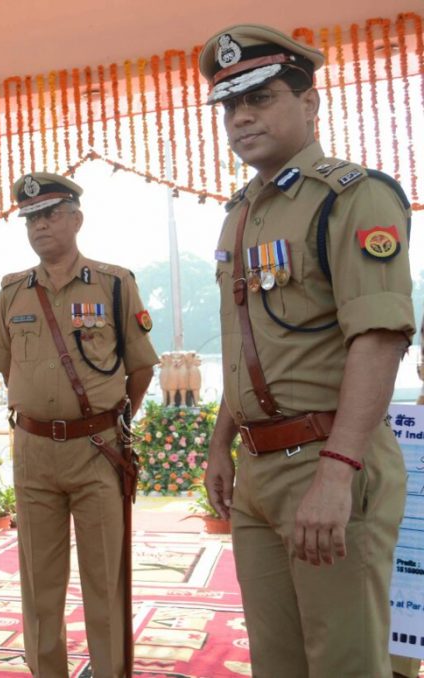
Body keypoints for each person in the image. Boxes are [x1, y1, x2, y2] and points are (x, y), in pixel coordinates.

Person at [198, 25, 415, 677]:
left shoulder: (353, 197)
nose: (241, 117)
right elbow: (248, 347)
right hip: (259, 470)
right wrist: (219, 445)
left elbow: (378, 338)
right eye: (230, 105)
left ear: (311, 104)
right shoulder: (239, 216)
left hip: (326, 461)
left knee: (344, 661)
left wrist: (337, 470)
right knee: (278, 663)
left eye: (260, 98)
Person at [0, 172, 158, 678]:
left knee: (106, 583)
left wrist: (113, 420)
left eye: (51, 214)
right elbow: (2, 365)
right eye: (31, 219)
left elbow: (141, 366)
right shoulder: (12, 291)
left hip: (97, 450)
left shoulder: (114, 284)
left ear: (77, 219)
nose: (40, 226)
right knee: (39, 587)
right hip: (34, 452)